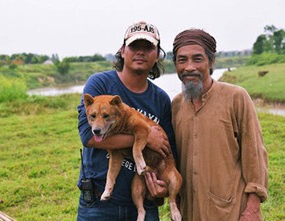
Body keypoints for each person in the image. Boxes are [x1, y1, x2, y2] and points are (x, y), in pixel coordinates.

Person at [76, 21, 177, 221]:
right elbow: (88, 136)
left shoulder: (161, 99)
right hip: (98, 204)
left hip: (144, 204)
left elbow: (169, 150)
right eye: (134, 46)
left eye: (147, 47)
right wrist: (145, 138)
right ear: (122, 51)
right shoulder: (100, 84)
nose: (140, 52)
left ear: (156, 55)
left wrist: (162, 190)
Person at [171, 28, 268, 221]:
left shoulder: (236, 97)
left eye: (197, 59)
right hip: (189, 212)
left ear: (211, 61)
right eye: (182, 60)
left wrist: (252, 209)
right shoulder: (176, 105)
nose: (189, 67)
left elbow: (254, 153)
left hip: (231, 211)